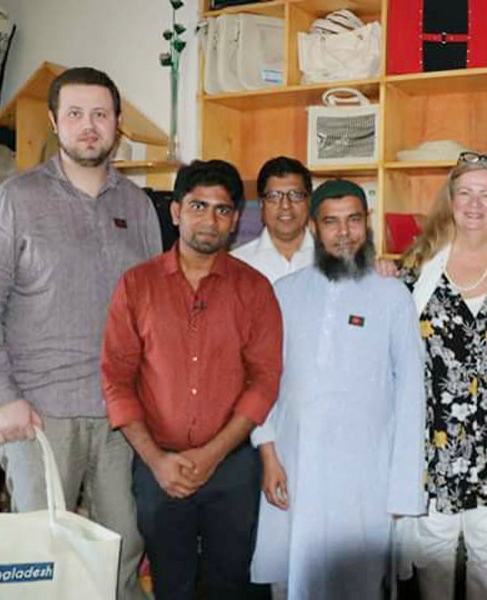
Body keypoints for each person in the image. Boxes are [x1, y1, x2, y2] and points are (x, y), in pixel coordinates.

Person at [0, 66, 160, 600]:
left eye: (100, 114)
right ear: (54, 121)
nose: (88, 126)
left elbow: (150, 311)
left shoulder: (137, 207)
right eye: (75, 114)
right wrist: (2, 399)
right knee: (42, 562)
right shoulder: (15, 200)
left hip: (120, 415)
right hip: (38, 415)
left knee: (123, 548)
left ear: (117, 124)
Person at [102, 159, 283, 599]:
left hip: (232, 465)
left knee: (232, 581)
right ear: (177, 212)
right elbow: (116, 379)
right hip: (157, 466)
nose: (210, 219)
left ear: (236, 220)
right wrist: (157, 461)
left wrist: (211, 454)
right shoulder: (137, 285)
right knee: (172, 582)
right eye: (198, 205)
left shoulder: (254, 289)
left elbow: (264, 380)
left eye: (223, 209)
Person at [250, 179, 427, 599]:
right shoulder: (285, 294)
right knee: (294, 577)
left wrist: (402, 488)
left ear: (367, 224)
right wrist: (268, 452)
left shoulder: (392, 294)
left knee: (360, 584)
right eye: (331, 222)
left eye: (353, 220)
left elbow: (411, 394)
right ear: (313, 227)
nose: (343, 232)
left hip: (366, 474)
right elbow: (263, 380)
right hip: (295, 462)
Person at [396, 152, 487, 600]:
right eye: (465, 193)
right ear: (451, 200)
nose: (475, 204)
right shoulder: (415, 269)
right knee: (434, 562)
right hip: (432, 450)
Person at [230, 156, 314, 282]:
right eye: (274, 196)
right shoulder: (236, 264)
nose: (286, 205)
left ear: (308, 202)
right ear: (261, 204)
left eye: (296, 195)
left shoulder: (332, 258)